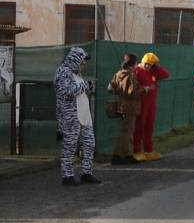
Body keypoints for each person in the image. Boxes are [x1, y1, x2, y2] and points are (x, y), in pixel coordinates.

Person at [54, 47, 100, 186]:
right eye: (82, 62)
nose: (83, 65)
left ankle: (87, 173)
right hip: (71, 117)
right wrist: (86, 85)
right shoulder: (62, 72)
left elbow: (80, 90)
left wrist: (88, 87)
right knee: (69, 147)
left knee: (89, 144)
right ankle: (67, 176)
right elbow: (66, 92)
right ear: (75, 60)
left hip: (84, 116)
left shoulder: (76, 73)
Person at [132, 52, 169, 161]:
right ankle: (136, 150)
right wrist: (147, 88)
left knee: (149, 126)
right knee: (139, 126)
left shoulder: (153, 71)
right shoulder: (137, 70)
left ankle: (149, 150)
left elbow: (166, 74)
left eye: (150, 64)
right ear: (142, 62)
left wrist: (156, 66)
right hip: (141, 102)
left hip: (151, 103)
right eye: (146, 64)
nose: (148, 66)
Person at [110, 53, 142, 165]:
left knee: (128, 131)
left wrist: (119, 91)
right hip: (131, 107)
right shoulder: (131, 75)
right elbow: (132, 92)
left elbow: (111, 88)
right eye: (136, 63)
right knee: (126, 132)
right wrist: (145, 90)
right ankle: (117, 155)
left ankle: (128, 154)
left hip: (121, 105)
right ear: (132, 64)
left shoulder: (118, 73)